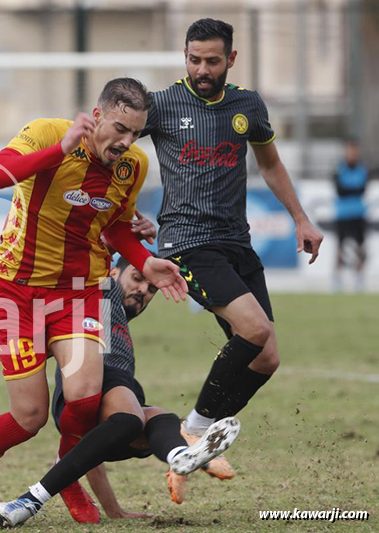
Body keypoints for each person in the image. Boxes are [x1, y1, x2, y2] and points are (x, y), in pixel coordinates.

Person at [0, 77, 189, 523]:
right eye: (120, 129)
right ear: (98, 115)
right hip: (18, 290)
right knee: (29, 416)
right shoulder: (47, 132)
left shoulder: (134, 166)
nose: (126, 142)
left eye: (135, 133)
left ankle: (64, 477)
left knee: (84, 398)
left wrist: (145, 262)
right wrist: (62, 148)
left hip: (80, 292)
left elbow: (115, 227)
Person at [137, 18, 324, 477]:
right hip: (187, 243)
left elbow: (271, 164)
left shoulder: (248, 105)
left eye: (212, 61)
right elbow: (113, 146)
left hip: (237, 243)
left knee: (267, 357)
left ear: (231, 59)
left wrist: (301, 218)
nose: (202, 69)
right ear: (185, 57)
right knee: (254, 329)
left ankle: (196, 444)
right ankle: (194, 431)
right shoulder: (161, 105)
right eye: (194, 60)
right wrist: (120, 215)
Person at [0, 261, 239, 527]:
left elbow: (90, 451)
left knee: (158, 419)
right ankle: (29, 500)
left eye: (152, 289)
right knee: (131, 418)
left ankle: (178, 455)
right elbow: (92, 251)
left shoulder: (117, 316)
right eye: (137, 278)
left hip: (116, 395)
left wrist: (113, 509)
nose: (143, 290)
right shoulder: (101, 289)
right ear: (113, 272)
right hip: (95, 380)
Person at [334, 140, 372, 292]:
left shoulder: (362, 169)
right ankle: (337, 278)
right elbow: (340, 190)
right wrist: (353, 189)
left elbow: (362, 189)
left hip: (358, 213)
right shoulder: (340, 169)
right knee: (340, 247)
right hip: (343, 214)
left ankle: (359, 276)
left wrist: (350, 189)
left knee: (361, 247)